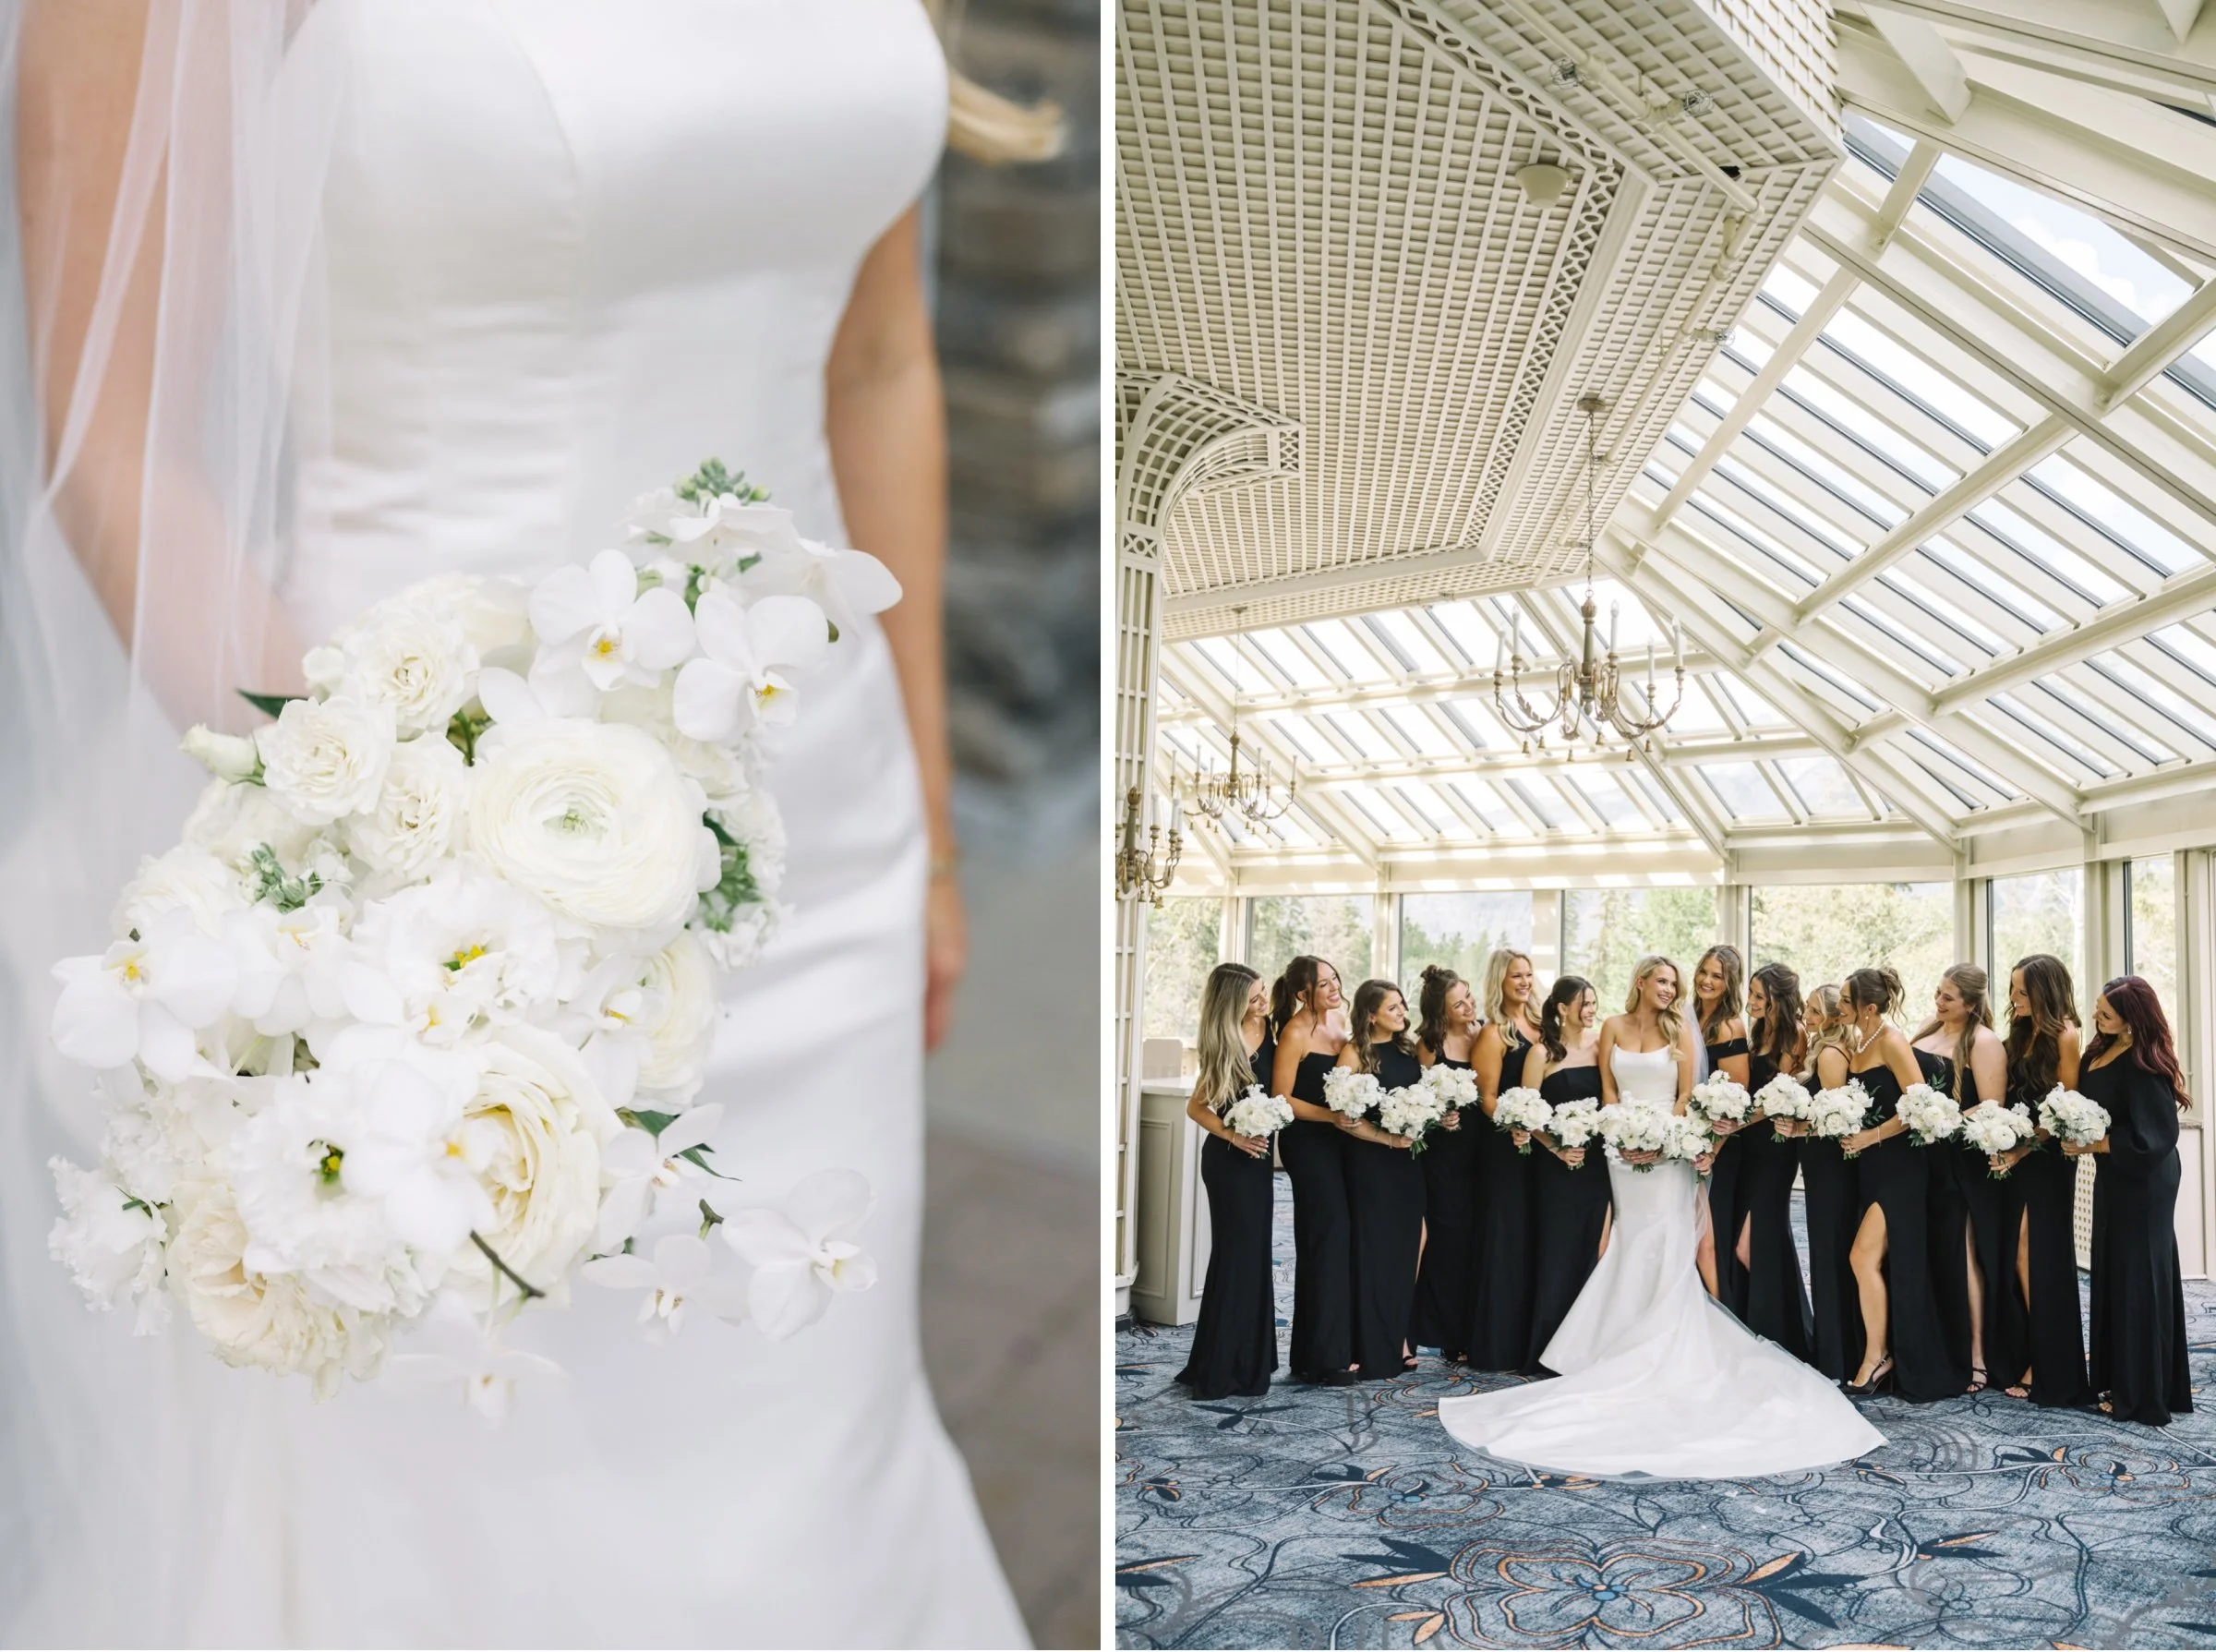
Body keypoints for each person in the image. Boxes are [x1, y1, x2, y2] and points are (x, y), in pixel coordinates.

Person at [2, 6, 1053, 1642]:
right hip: (423, 904)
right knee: (475, 1503)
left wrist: (927, 822)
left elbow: (876, 354)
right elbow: (118, 442)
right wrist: (376, 856)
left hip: (814, 865)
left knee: (805, 1472)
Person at [1436, 953, 1885, 1478]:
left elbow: (1685, 1098)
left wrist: (1658, 1141)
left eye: (1676, 983)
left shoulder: (1680, 1031)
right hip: (1620, 1154)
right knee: (1626, 1242)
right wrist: (1623, 1137)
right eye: (1664, 981)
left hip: (1666, 1154)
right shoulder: (1612, 1027)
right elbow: (1607, 1090)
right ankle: (1615, 1343)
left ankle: (1667, 1347)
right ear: (1642, 981)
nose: (1672, 990)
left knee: (1668, 1243)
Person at [1837, 967, 1965, 1401]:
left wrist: (1869, 1136)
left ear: (1868, 1008)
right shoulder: (1860, 1041)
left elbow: (1918, 1105)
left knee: (1862, 1257)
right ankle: (1879, 1353)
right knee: (1870, 1261)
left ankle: (1877, 1358)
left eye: (1845, 1001)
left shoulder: (1891, 1039)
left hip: (1899, 1168)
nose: (1839, 1007)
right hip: (1869, 1167)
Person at [2072, 977, 2194, 1427]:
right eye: (2098, 1008)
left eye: (2105, 1011)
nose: (2096, 1016)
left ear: (2131, 1019)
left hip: (2144, 1180)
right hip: (2113, 1177)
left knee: (2139, 1276)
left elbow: (2155, 1139)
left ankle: (2143, 1393)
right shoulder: (2099, 1051)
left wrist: (2094, 1145)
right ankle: (2116, 1378)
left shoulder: (2144, 1064)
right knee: (2113, 1272)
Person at [1988, 956, 2093, 1408]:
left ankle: (2048, 1362)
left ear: (2045, 992)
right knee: (2014, 1255)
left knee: (2035, 1255)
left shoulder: (2065, 1034)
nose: (2014, 1000)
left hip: (2046, 1159)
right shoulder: (2020, 1032)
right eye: (2012, 991)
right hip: (2015, 1155)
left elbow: (2063, 1110)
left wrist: (2022, 1147)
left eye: (2022, 992)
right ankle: (2027, 1349)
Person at [1175, 965, 1279, 1401]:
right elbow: (1196, 1108)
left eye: (1263, 994)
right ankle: (1222, 1366)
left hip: (1259, 1164)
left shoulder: (1275, 1031)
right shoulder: (1223, 1042)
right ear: (1233, 1003)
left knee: (1255, 1255)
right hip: (1227, 1163)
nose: (1262, 1003)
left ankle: (1248, 1358)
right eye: (1254, 998)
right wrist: (1233, 1134)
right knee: (1236, 1255)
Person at [1909, 965, 2008, 1394]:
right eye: (1938, 993)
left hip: (1959, 1162)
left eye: (1948, 997)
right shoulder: (1927, 1029)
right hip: (1921, 1159)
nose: (1939, 1001)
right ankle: (1936, 1343)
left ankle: (1977, 1356)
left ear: (1970, 1003)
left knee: (1963, 1254)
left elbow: (1992, 1105)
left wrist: (1942, 1119)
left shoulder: (1983, 1042)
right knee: (1930, 1251)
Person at [1269, 956, 1357, 1385]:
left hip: (1343, 1143)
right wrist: (1331, 1117)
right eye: (1324, 984)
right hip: (1308, 1145)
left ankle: (1317, 1351)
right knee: (1326, 1237)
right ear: (1303, 993)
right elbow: (1281, 1098)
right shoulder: (1294, 1032)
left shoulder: (1342, 1023)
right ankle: (1322, 1358)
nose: (1334, 987)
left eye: (1334, 979)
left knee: (1339, 1240)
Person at [1333, 980, 1427, 1378]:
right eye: (1393, 1008)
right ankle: (1370, 1342)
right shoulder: (1354, 1053)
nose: (1403, 1013)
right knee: (1374, 1249)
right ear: (1370, 1014)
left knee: (1412, 1243)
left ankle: (1402, 1335)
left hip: (1408, 1162)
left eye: (1403, 1006)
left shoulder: (1408, 1049)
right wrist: (1387, 1138)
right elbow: (1342, 1118)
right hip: (1372, 1162)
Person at [1519, 975, 1611, 1370]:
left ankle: (1588, 1348)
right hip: (1556, 1169)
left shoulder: (1601, 1046)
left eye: (1593, 1003)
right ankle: (1549, 1348)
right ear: (1562, 1008)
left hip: (1598, 1167)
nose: (1590, 1010)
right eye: (1584, 1004)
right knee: (1557, 1251)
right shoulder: (1542, 1053)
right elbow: (1524, 1113)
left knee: (1597, 1250)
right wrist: (1557, 1148)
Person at [1466, 948, 1542, 1370]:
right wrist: (1518, 1122)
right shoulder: (1495, 1033)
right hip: (1505, 1148)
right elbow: (1486, 1097)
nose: (1525, 982)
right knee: (1506, 1238)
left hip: (1542, 1145)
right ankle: (1498, 1342)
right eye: (1516, 975)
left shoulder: (1542, 1024)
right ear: (1501, 980)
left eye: (1529, 974)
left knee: (1534, 1236)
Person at [1732, 963, 1812, 1359]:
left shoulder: (1796, 1034)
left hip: (1775, 1148)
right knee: (1759, 1238)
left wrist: (1737, 1120)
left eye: (1760, 996)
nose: (1752, 1003)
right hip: (1748, 1147)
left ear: (1779, 998)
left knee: (1753, 1242)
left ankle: (1776, 1332)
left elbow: (1779, 1096)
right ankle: (1772, 1328)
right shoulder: (1758, 1032)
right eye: (1751, 994)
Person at [1794, 984, 1863, 1382]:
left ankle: (1839, 1354)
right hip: (1818, 1166)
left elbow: (1838, 1121)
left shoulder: (1832, 1055)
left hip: (1831, 1168)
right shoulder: (1821, 1048)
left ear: (1836, 1016)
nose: (1808, 1015)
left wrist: (1799, 1125)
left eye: (1816, 1011)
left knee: (1831, 1252)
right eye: (1808, 1008)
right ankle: (1833, 1349)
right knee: (1824, 1252)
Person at [1409, 966, 1478, 1362]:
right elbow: (1419, 1100)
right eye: (1459, 1003)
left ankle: (1469, 1329)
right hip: (1444, 1154)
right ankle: (1442, 1332)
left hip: (1479, 1150)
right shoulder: (1429, 1044)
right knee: (1445, 1242)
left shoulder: (1482, 1032)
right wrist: (1439, 1116)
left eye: (1469, 996)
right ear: (1442, 1011)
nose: (1469, 1005)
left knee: (1473, 1242)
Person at [1690, 946, 1750, 1302]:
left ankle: (1718, 1310)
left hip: (1718, 1147)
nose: (1707, 981)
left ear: (1730, 984)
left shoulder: (1729, 1026)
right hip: (1682, 1142)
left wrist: (1712, 1150)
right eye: (1704, 972)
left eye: (1717, 976)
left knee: (1710, 1237)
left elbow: (1736, 1098)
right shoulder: (1682, 1016)